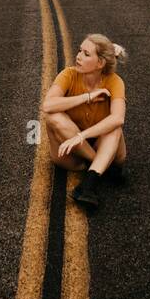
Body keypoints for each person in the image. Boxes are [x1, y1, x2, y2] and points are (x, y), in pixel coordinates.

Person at [41, 33, 128, 211]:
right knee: (53, 116)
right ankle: (100, 167)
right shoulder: (68, 75)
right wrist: (87, 97)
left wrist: (82, 135)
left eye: (86, 54)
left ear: (100, 64)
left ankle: (87, 187)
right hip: (71, 153)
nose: (78, 56)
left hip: (98, 143)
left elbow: (118, 118)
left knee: (114, 127)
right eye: (79, 50)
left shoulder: (114, 81)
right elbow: (48, 105)